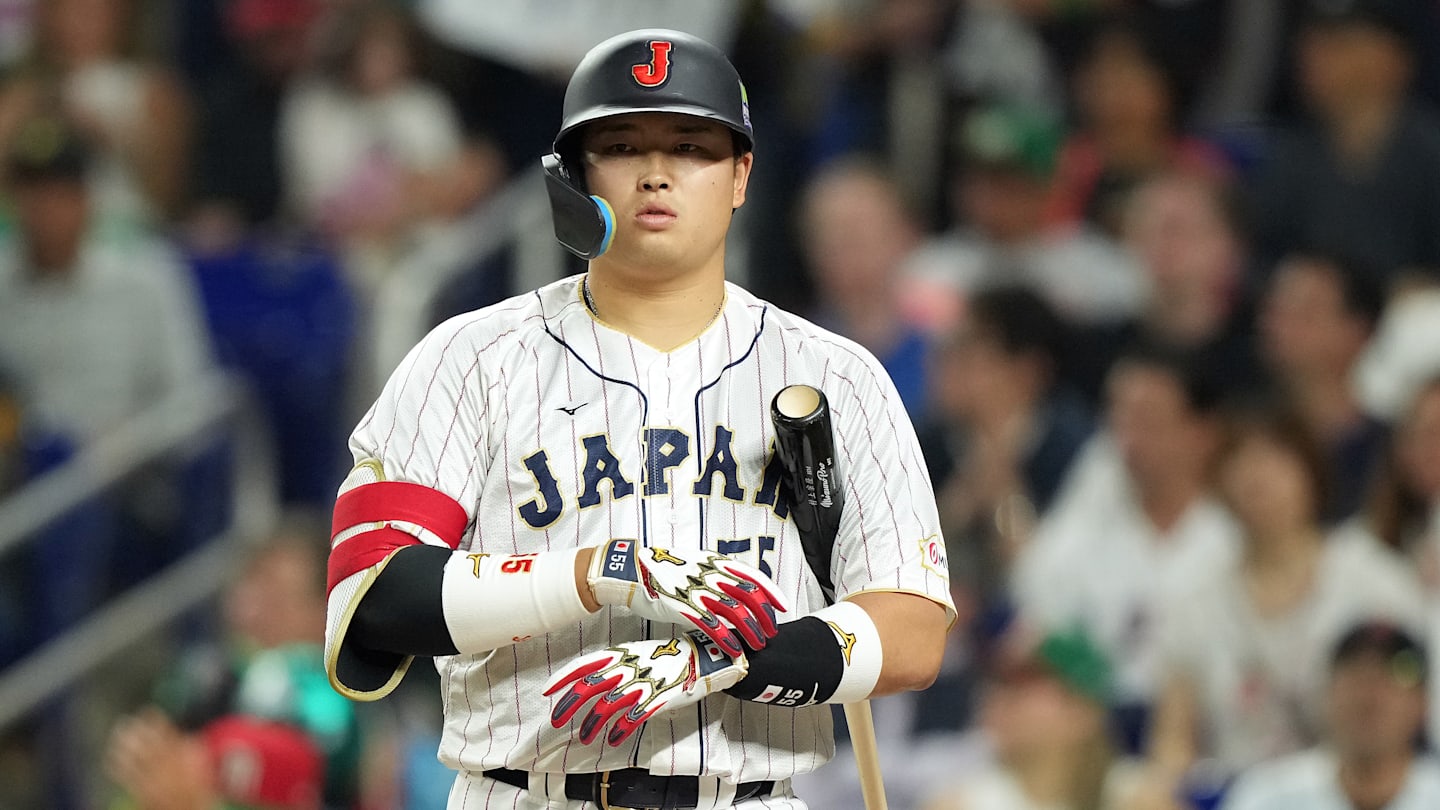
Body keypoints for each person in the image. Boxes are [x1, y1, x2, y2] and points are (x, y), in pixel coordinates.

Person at [323, 28, 954, 810]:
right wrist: (601, 573)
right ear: (575, 177)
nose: (657, 173)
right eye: (622, 145)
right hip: (526, 792)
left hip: (745, 794)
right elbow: (376, 594)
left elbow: (914, 627)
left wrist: (721, 661)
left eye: (692, 147)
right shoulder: (469, 358)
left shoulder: (837, 375)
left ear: (741, 176)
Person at [1141, 400, 1426, 808]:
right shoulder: (1193, 596)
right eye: (1241, 462)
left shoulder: (1373, 581)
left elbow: (1409, 698)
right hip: (1237, 795)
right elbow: (1173, 742)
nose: (1258, 479)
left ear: (1310, 471)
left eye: (1275, 461)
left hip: (1352, 788)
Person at [1010, 345, 1239, 751]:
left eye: (1149, 420)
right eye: (1121, 417)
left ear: (1201, 434)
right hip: (1092, 736)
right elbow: (1036, 633)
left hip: (1210, 742)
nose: (1129, 437)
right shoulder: (1081, 533)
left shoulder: (1232, 540)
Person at [1220, 619, 1440, 810]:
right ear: (1326, 696)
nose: (1370, 698)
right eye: (1356, 678)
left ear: (1421, 703)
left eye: (1388, 682)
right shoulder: (1268, 795)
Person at [921, 626, 1145, 810]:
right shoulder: (959, 802)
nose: (1004, 699)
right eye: (1004, 685)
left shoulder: (1135, 796)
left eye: (1026, 686)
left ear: (1082, 708)